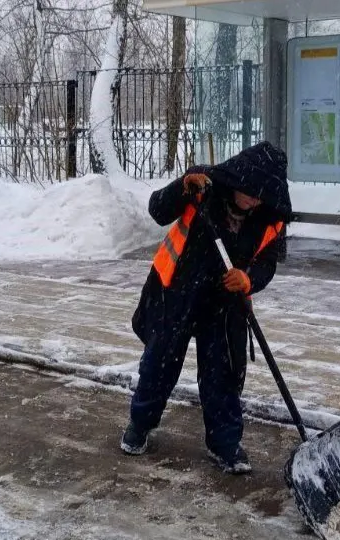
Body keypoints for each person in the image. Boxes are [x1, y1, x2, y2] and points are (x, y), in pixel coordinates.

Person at [121, 141, 292, 474]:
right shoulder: (203, 185)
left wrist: (248, 278)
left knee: (223, 375)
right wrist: (181, 188)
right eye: (248, 191)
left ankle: (226, 445)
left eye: (261, 195)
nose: (253, 199)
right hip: (179, 289)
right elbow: (158, 210)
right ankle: (140, 424)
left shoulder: (272, 216)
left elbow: (269, 262)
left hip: (224, 302)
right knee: (160, 364)